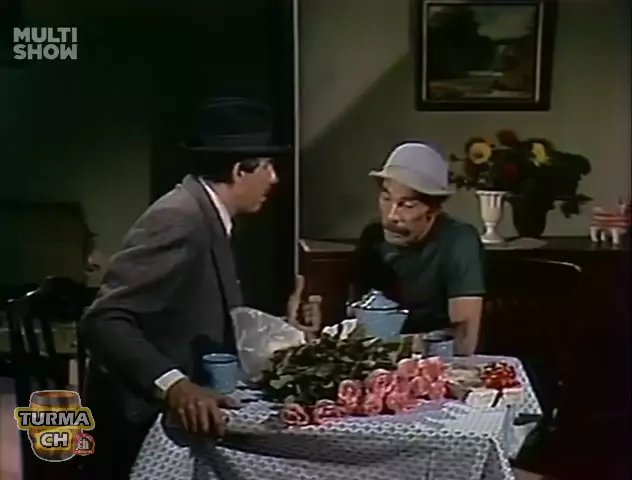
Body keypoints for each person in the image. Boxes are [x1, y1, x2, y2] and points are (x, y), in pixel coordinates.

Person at [80, 97, 319, 479]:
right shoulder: (179, 218)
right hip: (137, 426)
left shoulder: (207, 215)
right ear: (240, 170)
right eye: (268, 166)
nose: (274, 179)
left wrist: (284, 333)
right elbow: (104, 321)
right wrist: (175, 386)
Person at [352, 141, 485, 356]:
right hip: (377, 360)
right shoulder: (373, 236)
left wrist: (405, 345)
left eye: (407, 205)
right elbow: (355, 319)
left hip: (435, 360)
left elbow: (464, 340)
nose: (392, 216)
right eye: (386, 199)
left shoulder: (459, 240)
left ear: (434, 209)